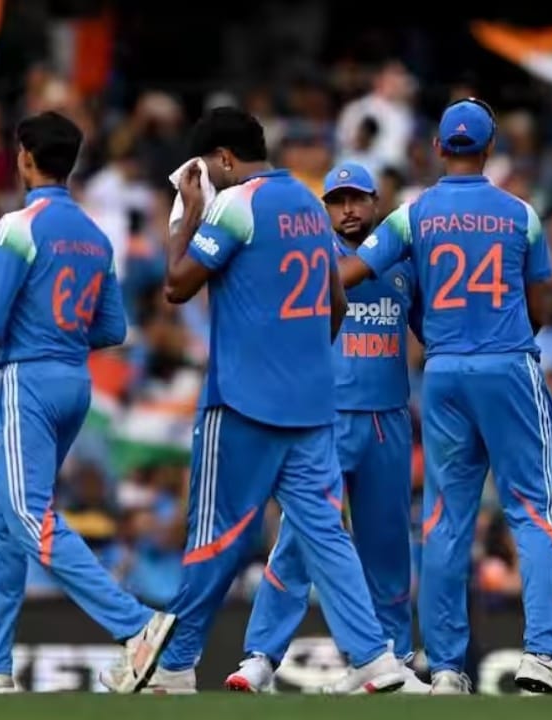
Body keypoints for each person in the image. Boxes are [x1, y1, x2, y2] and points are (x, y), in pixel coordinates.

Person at [152, 107, 404, 694]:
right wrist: (304, 362)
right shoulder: (311, 209)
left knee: (214, 534)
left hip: (242, 401)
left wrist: (186, 213)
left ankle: (176, 663)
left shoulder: (235, 204)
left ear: (223, 158)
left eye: (205, 168)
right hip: (312, 405)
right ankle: (374, 658)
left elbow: (176, 285)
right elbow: (337, 305)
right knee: (325, 533)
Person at [0, 111, 177, 695]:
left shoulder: (20, 224)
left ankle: (135, 624)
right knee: (4, 523)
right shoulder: (95, 234)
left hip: (30, 380)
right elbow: (112, 328)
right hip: (75, 381)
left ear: (24, 158)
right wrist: (54, 327)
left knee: (25, 513)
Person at [338, 98, 552, 694]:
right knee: (534, 511)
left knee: (445, 519)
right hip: (508, 365)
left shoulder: (411, 216)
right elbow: (542, 307)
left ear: (439, 148)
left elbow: (346, 275)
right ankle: (542, 652)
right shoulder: (521, 214)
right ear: (489, 149)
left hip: (443, 373)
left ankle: (445, 668)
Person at [226, 162, 427, 693]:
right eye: (337, 202)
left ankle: (393, 659)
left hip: (388, 421)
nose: (348, 210)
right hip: (326, 422)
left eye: (357, 199)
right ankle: (261, 657)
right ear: (325, 210)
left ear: (376, 203)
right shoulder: (312, 258)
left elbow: (430, 330)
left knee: (389, 547)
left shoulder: (404, 264)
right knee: (298, 541)